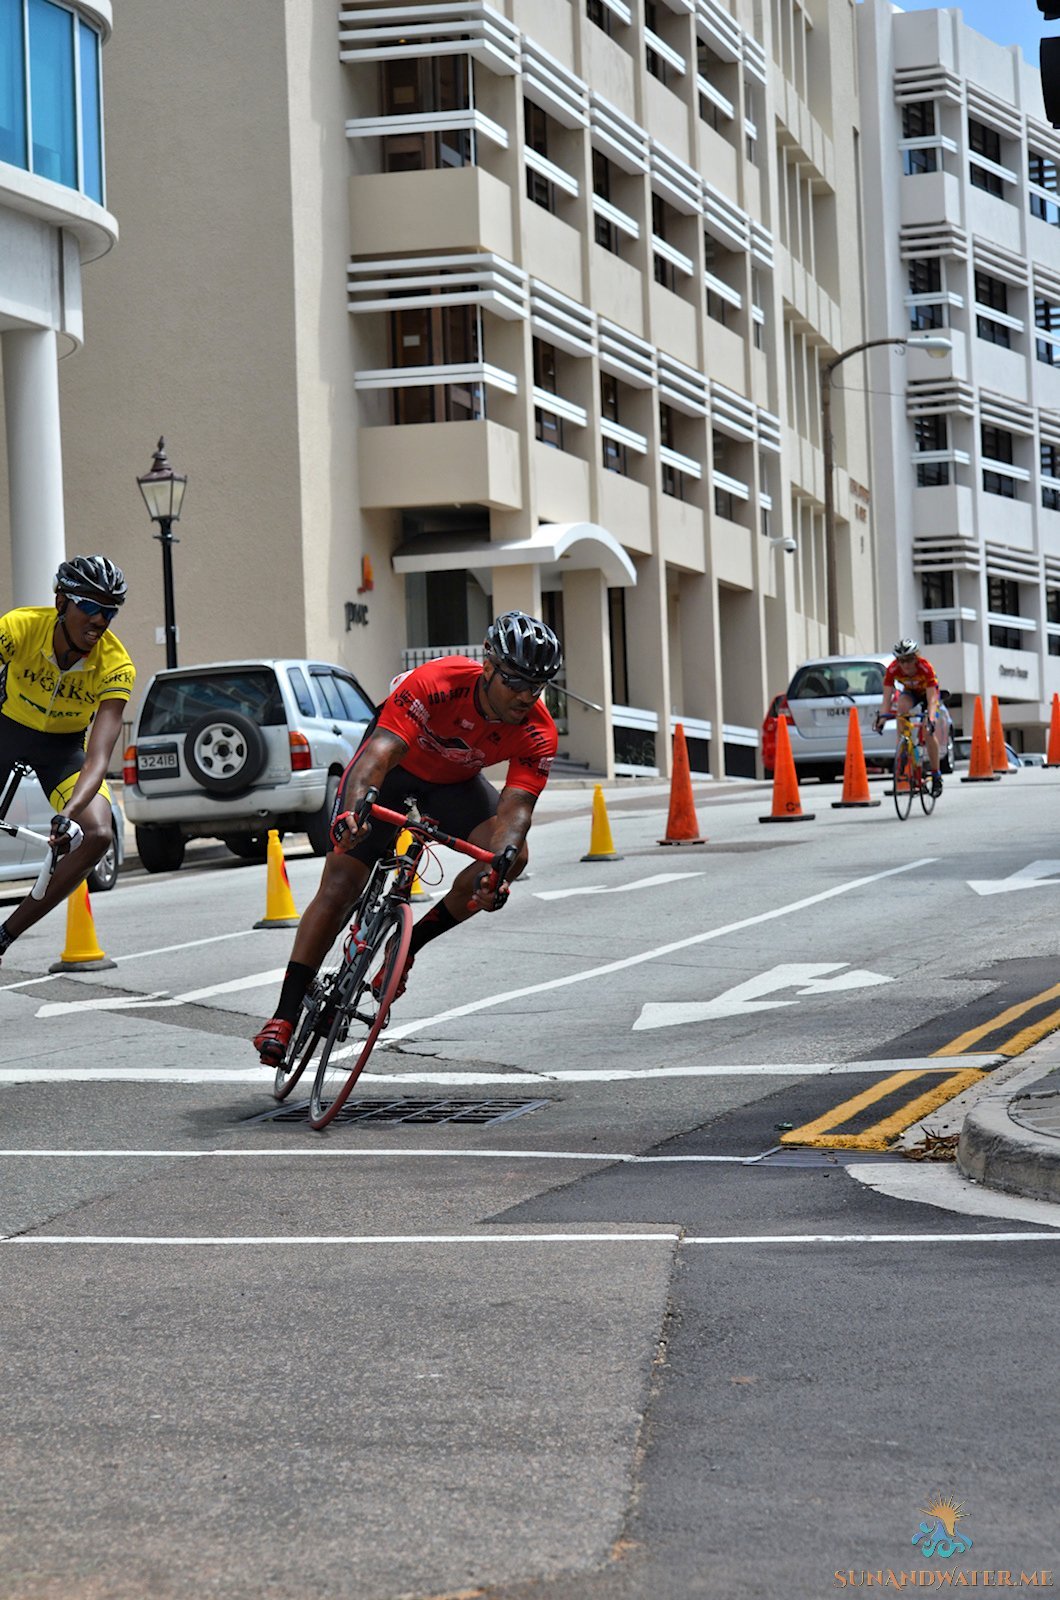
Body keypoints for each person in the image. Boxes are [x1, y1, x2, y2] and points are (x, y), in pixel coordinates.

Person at [253, 609, 563, 1064]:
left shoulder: (538, 729)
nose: (525, 695)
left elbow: (515, 811)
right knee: (340, 885)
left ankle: (406, 946)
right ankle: (283, 1014)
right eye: (515, 681)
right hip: (393, 771)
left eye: (536, 686)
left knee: (512, 859)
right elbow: (378, 754)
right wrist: (350, 815)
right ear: (489, 666)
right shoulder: (437, 683)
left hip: (455, 785)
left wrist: (496, 867)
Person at [0, 555, 134, 963]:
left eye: (109, 610)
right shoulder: (19, 628)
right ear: (61, 602)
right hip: (6, 726)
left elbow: (98, 756)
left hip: (62, 747)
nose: (100, 620)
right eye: (90, 606)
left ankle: (5, 935)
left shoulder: (116, 664)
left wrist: (71, 812)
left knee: (97, 833)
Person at [874, 638, 943, 796]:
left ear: (916, 658)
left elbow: (932, 699)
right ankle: (905, 747)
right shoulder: (892, 670)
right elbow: (886, 699)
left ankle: (936, 774)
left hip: (928, 694)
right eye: (901, 661)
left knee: (928, 730)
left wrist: (931, 719)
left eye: (910, 660)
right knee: (901, 707)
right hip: (911, 693)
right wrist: (882, 718)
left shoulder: (925, 667)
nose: (905, 665)